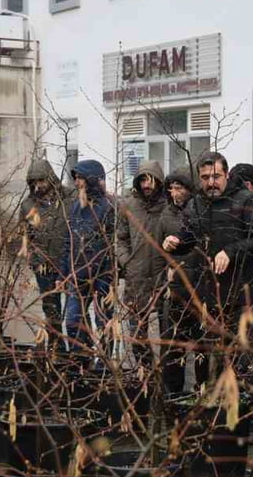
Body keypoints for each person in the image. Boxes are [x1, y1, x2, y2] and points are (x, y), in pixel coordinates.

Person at [163, 152, 253, 392]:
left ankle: (249, 413)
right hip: (208, 295)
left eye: (216, 176)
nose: (210, 182)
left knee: (242, 360)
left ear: (226, 175)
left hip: (242, 295)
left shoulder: (247, 200)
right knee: (212, 361)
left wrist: (231, 251)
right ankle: (216, 413)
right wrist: (176, 242)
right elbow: (189, 236)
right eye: (205, 177)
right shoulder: (196, 204)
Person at [115, 161, 174, 375]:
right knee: (136, 328)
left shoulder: (169, 206)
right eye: (142, 179)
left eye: (150, 179)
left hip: (162, 276)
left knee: (167, 326)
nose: (146, 184)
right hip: (136, 275)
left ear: (158, 180)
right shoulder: (129, 205)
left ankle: (169, 371)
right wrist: (126, 261)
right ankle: (145, 367)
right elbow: (121, 238)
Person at [62, 159, 117, 351]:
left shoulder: (109, 207)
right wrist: (65, 271)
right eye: (75, 178)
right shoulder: (76, 207)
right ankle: (80, 363)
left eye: (80, 178)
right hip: (77, 278)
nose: (76, 183)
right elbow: (69, 241)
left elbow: (110, 246)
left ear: (91, 179)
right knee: (72, 322)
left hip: (103, 277)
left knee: (104, 325)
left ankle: (104, 368)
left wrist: (105, 275)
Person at [161, 171, 204, 398]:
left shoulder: (200, 210)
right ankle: (172, 393)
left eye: (180, 188)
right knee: (174, 343)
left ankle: (202, 391)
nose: (175, 193)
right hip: (175, 286)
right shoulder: (166, 215)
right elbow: (158, 250)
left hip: (199, 284)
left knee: (201, 345)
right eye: (171, 188)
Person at [20, 159, 70, 344]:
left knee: (75, 311)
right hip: (44, 266)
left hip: (69, 262)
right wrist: (35, 261)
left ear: (50, 178)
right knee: (51, 311)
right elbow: (26, 237)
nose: (38, 186)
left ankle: (79, 351)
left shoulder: (68, 197)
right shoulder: (28, 205)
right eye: (34, 182)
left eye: (41, 180)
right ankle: (57, 350)